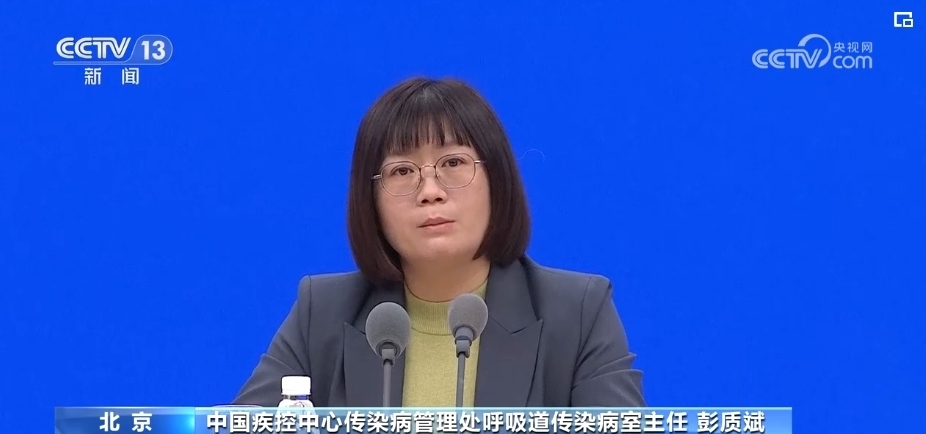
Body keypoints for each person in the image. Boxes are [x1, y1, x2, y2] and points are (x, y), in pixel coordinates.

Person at [233, 77, 645, 407]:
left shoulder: (576, 313)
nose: (430, 191)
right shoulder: (322, 313)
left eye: (453, 163)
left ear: (497, 180)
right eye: (401, 171)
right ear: (369, 200)